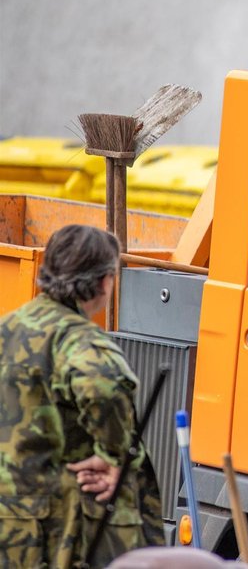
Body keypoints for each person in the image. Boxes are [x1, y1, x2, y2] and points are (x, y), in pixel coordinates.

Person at [0, 224, 163, 568]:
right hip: (57, 528)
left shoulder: (8, 327)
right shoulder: (81, 340)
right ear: (105, 282)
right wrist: (112, 455)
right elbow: (103, 385)